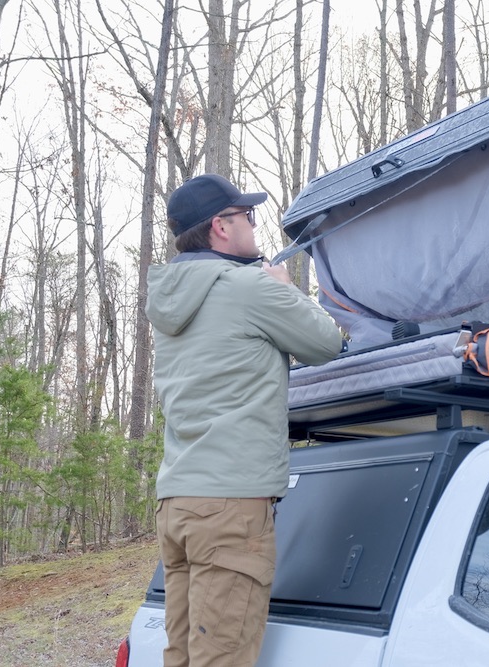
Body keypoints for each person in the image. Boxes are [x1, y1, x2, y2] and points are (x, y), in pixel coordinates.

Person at [146, 173, 344, 667]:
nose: (255, 228)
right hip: (230, 508)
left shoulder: (171, 300)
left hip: (178, 503)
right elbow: (326, 342)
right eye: (247, 217)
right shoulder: (249, 287)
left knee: (185, 657)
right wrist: (284, 287)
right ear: (220, 227)